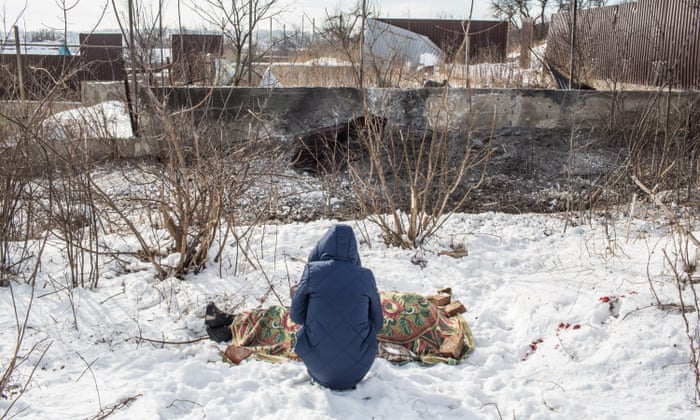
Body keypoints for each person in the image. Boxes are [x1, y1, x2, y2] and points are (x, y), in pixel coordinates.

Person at [290, 224, 383, 391]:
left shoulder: (312, 272)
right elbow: (378, 324)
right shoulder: (366, 276)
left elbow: (296, 316)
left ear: (323, 245)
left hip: (317, 366)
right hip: (358, 369)